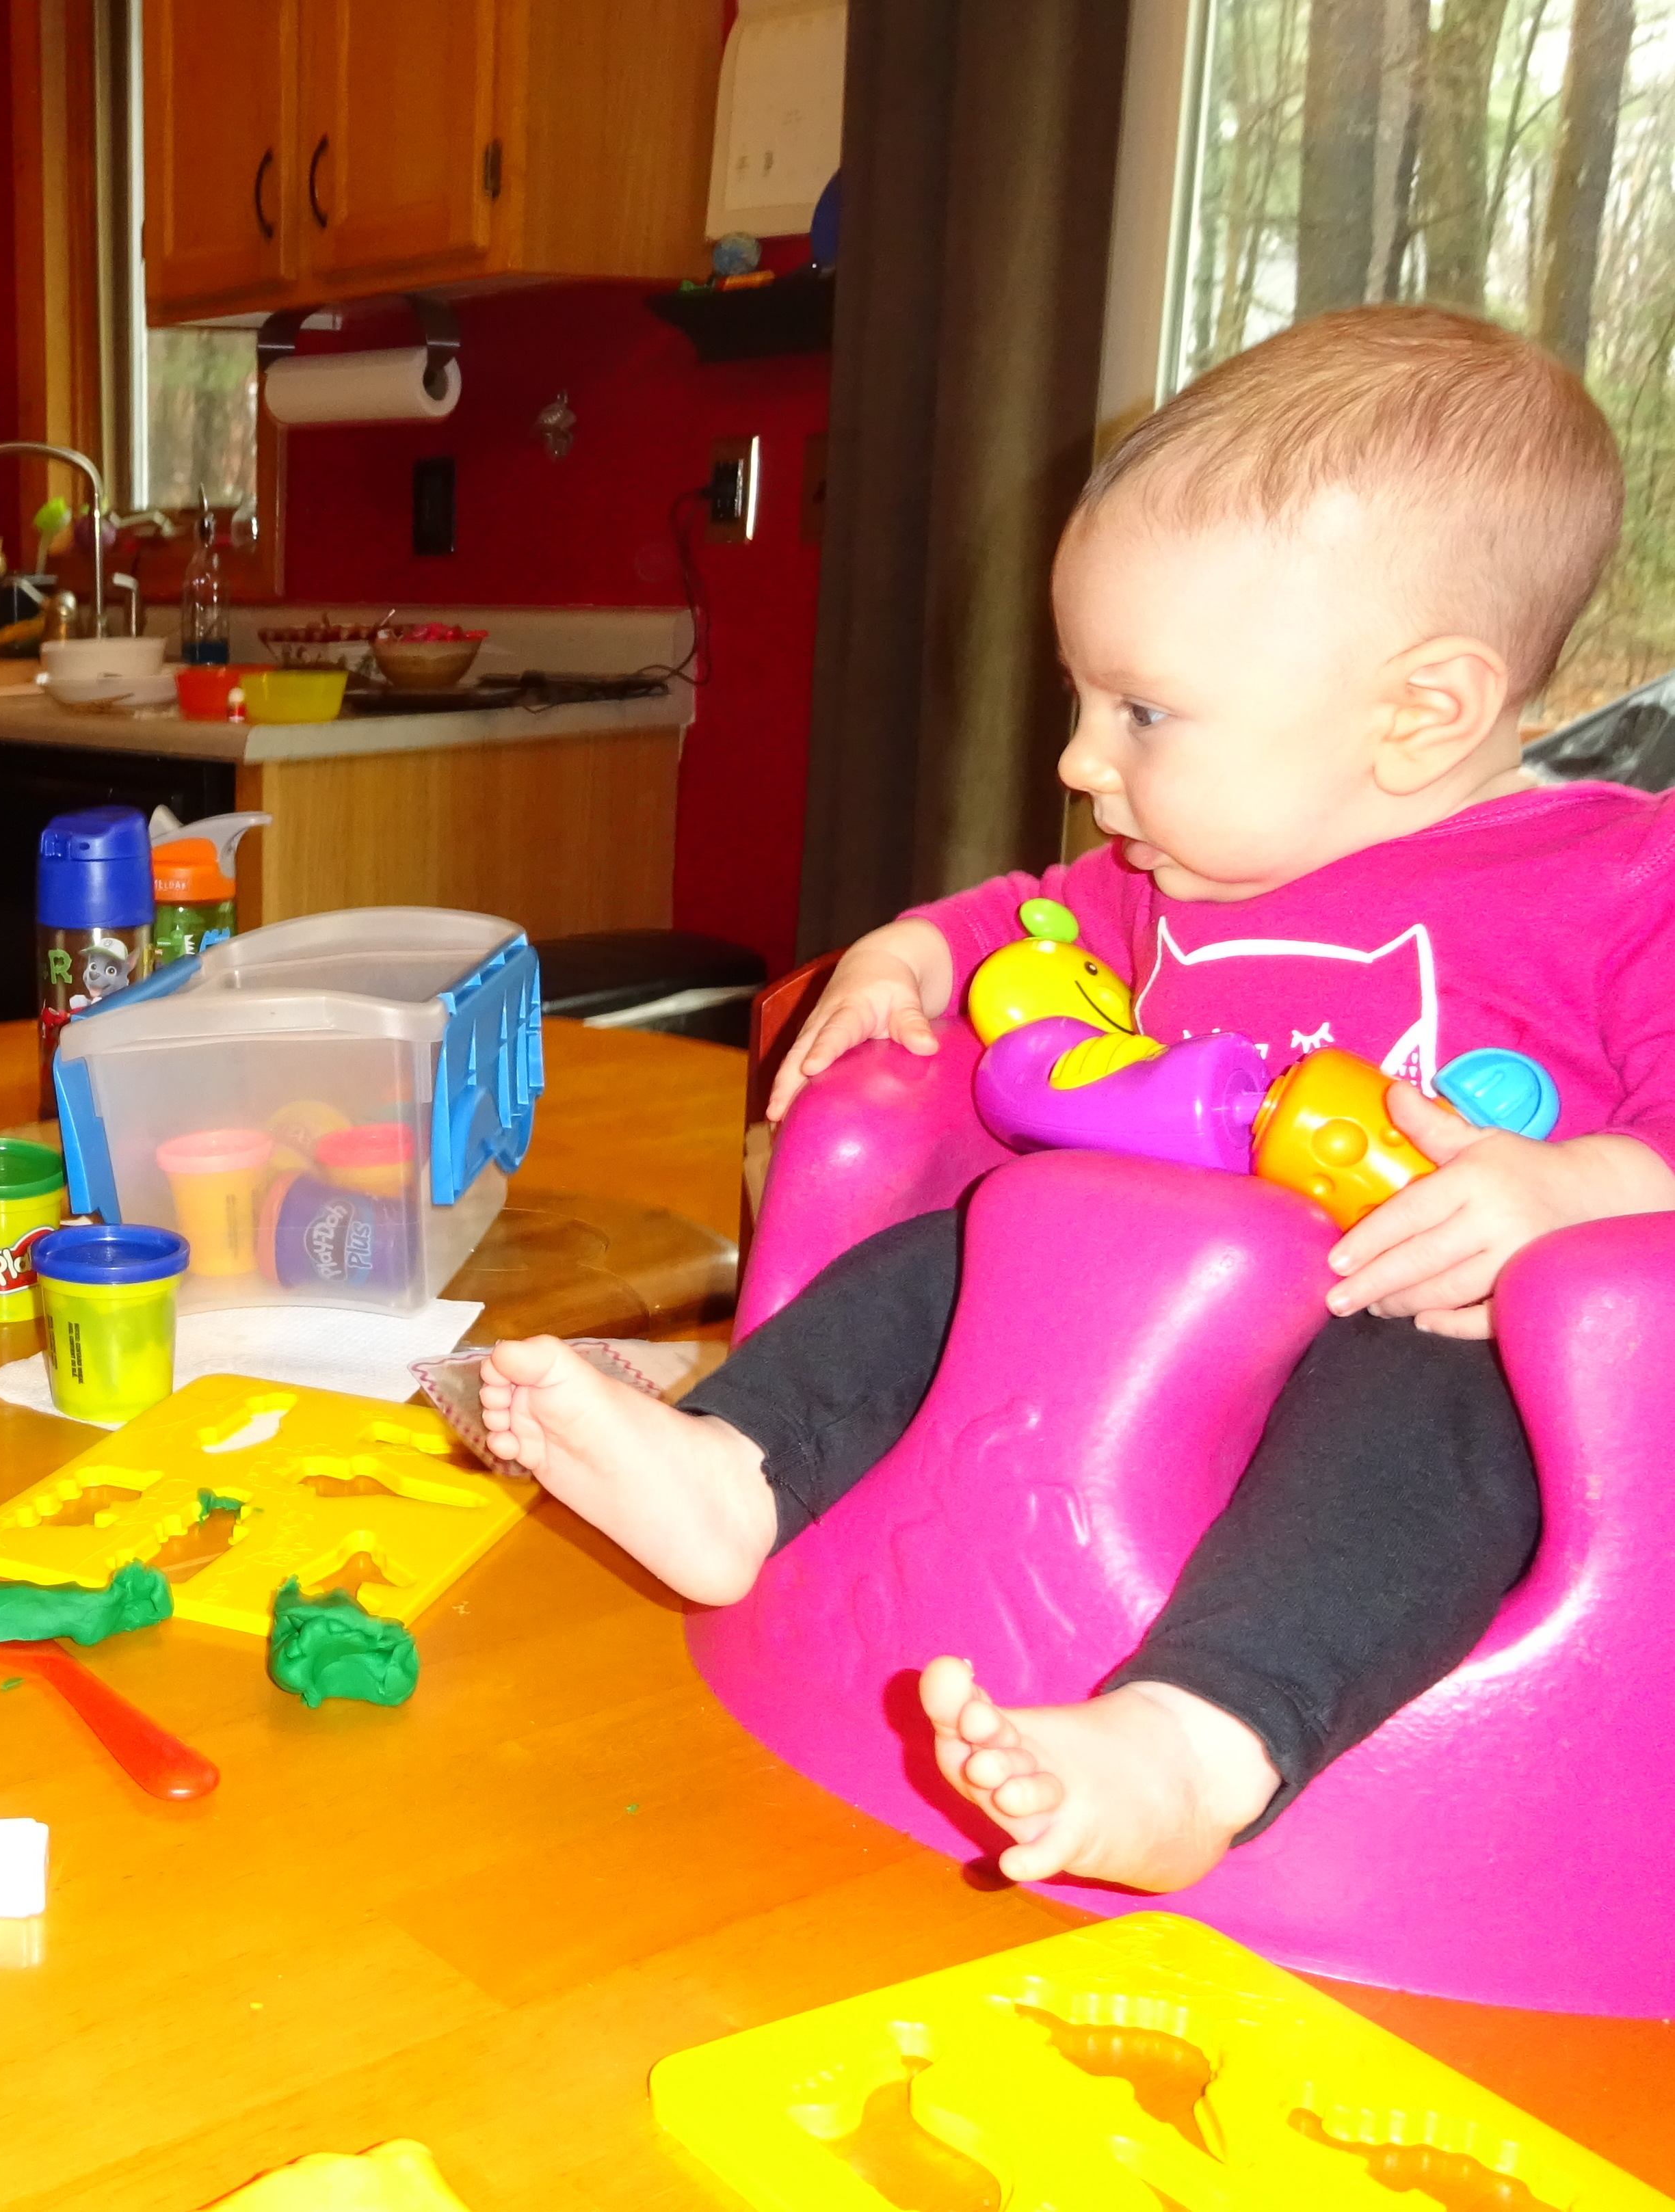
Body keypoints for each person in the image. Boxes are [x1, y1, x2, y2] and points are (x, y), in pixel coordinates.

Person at [483, 304, 1675, 1895]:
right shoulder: (1171, 874)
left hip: (1422, 1358)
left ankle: (1197, 1746)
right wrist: (907, 955)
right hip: (1128, 1342)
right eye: (1083, 701)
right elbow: (1020, 924)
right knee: (962, 1242)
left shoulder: (1618, 886)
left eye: (1141, 713)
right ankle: (735, 1471)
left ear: (1421, 712)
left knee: (1427, 1424)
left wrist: (1578, 1195)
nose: (1076, 760)